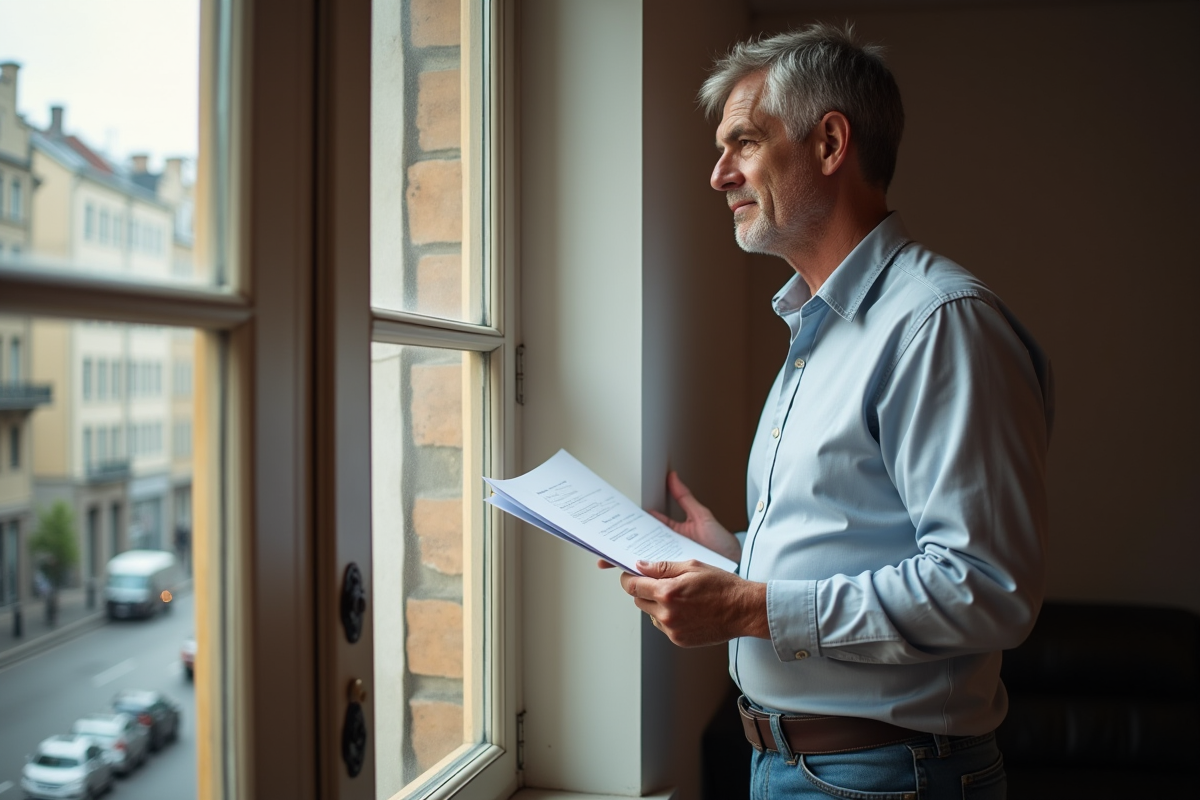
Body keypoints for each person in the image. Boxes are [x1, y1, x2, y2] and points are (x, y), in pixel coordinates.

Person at [607, 23, 1053, 799]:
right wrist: (734, 557)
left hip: (889, 778)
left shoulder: (935, 324)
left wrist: (752, 605)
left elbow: (986, 587)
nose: (718, 176)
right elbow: (858, 540)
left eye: (743, 142)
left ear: (829, 142)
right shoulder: (818, 330)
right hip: (789, 767)